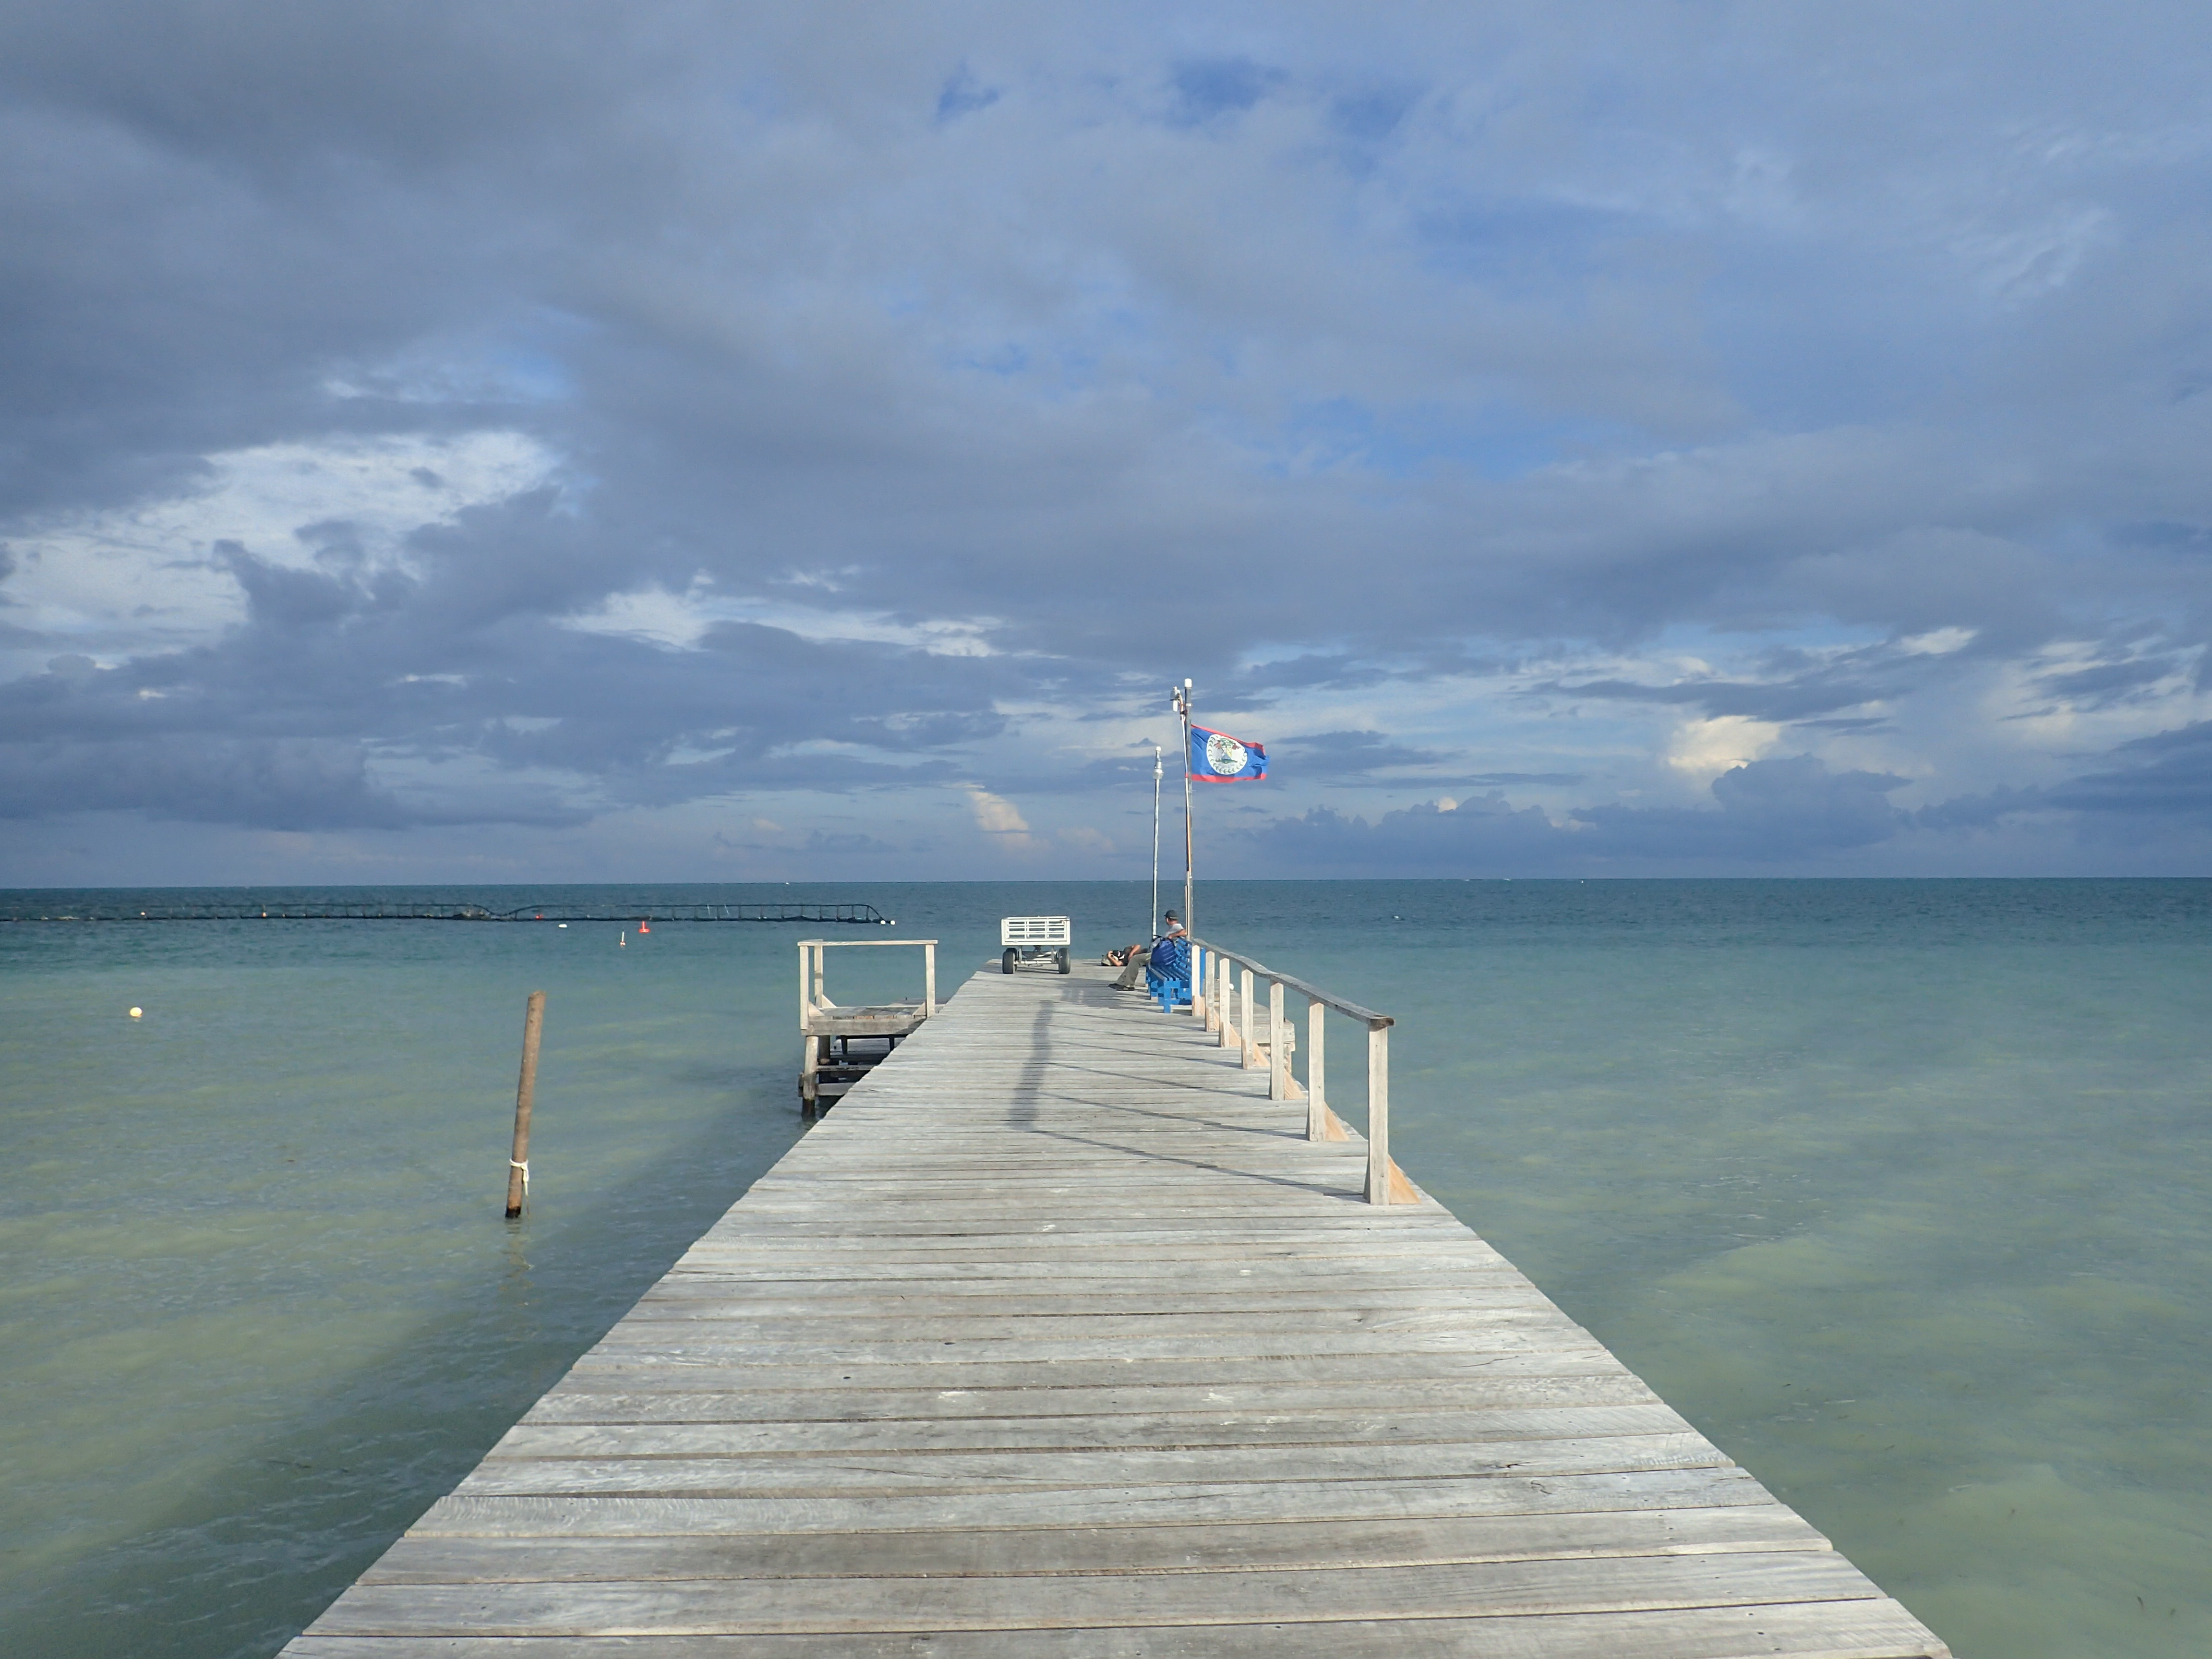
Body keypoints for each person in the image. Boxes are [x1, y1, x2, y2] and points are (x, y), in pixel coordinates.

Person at [1115, 910, 1185, 990]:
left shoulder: (1177, 927)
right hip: (1160, 954)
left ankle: (1129, 985)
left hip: (1160, 957)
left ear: (1167, 919)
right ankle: (1122, 982)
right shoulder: (1174, 927)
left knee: (1135, 959)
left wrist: (1172, 935)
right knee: (1136, 955)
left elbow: (1184, 932)